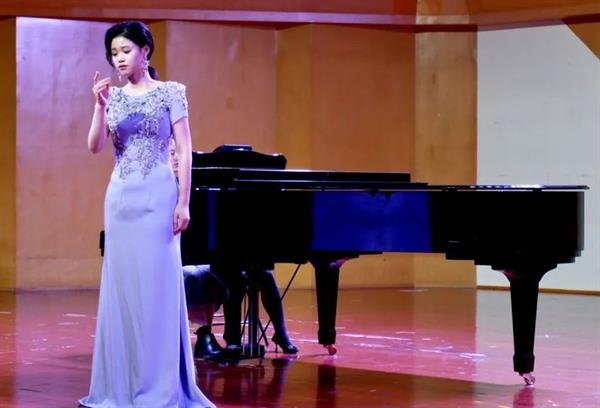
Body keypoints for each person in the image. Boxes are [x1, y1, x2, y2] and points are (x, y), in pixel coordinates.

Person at [80, 21, 214, 407]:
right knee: (123, 292)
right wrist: (99, 106)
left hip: (159, 198)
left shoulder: (171, 92)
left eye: (126, 50)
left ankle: (159, 386)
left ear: (145, 51)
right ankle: (120, 386)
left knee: (157, 290)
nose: (119, 59)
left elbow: (184, 150)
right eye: (114, 53)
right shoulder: (113, 98)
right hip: (121, 200)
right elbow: (94, 146)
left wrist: (184, 201)